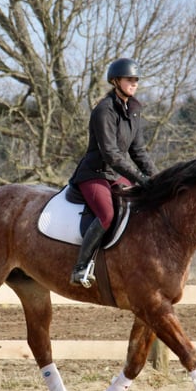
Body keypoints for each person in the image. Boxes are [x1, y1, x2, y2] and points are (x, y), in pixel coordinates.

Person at [68, 57, 158, 287]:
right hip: (94, 173)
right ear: (116, 81)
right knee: (107, 215)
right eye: (129, 79)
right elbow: (110, 153)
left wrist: (156, 179)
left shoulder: (134, 109)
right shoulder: (104, 110)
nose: (134, 83)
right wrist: (140, 178)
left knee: (137, 207)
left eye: (136, 79)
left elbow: (138, 150)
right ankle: (80, 268)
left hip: (115, 173)